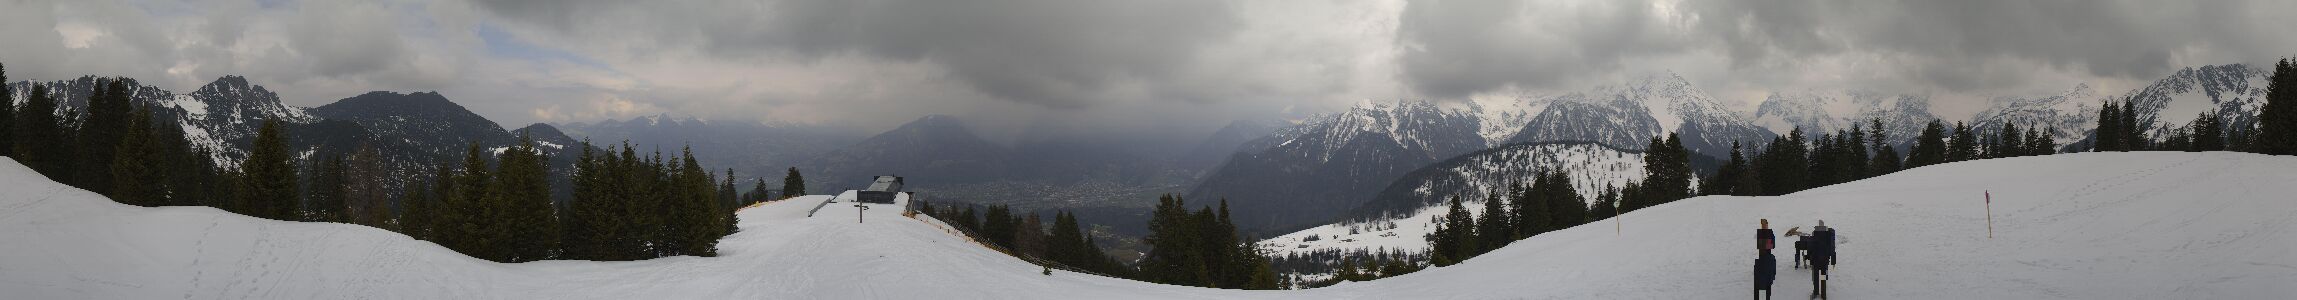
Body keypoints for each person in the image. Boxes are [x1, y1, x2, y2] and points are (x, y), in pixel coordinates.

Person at [1808, 220, 1834, 299]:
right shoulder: (1828, 234)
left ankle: (1816, 292)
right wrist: (1832, 259)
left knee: (1816, 277)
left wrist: (1810, 259)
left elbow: (1810, 247)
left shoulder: (1815, 233)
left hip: (1816, 260)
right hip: (1824, 260)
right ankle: (1823, 294)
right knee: (1823, 277)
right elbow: (1832, 247)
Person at [1754, 219, 1778, 300]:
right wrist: (1766, 243)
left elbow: (1772, 245)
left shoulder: (1769, 232)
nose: (1764, 226)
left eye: (1765, 224)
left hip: (1767, 256)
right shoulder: (1761, 233)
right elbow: (1760, 245)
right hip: (1762, 257)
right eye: (1763, 224)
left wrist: (1766, 243)